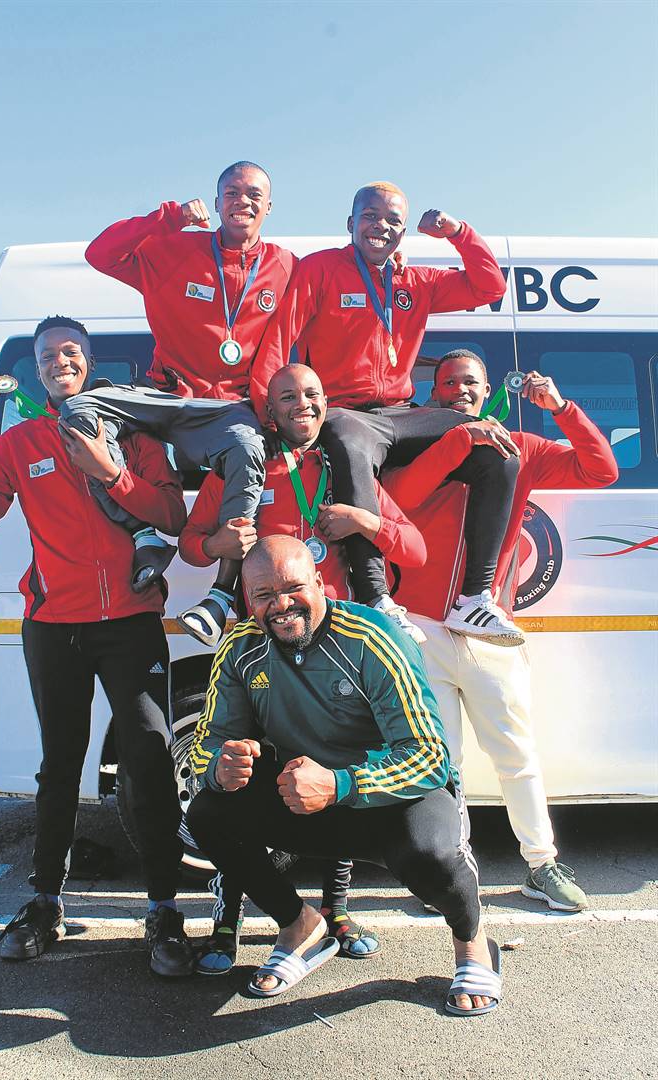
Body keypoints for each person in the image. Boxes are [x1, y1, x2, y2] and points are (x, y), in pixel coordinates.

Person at [0, 316, 195, 976]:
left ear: (88, 363)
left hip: (130, 623)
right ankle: (46, 902)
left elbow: (172, 516)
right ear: (37, 371)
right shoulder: (21, 442)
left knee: (149, 758)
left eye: (71, 352)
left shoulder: (132, 434)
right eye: (48, 355)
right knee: (60, 765)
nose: (60, 361)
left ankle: (164, 908)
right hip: (54, 626)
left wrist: (110, 471)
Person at [188, 536, 503, 1015]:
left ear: (321, 583)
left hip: (389, 800)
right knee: (208, 814)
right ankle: (299, 926)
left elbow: (429, 756)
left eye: (293, 588)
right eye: (264, 595)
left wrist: (341, 784)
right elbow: (207, 742)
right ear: (248, 600)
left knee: (431, 854)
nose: (281, 605)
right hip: (305, 798)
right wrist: (220, 766)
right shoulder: (241, 647)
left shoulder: (372, 637)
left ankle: (473, 943)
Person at [180, 363, 428, 971]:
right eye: (287, 396)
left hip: (338, 650)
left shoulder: (345, 469)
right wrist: (216, 546)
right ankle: (228, 916)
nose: (302, 405)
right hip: (260, 650)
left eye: (312, 394)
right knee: (239, 776)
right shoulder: (242, 468)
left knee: (334, 765)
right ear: (269, 410)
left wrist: (364, 521)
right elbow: (191, 542)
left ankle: (336, 909)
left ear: (326, 401)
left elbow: (416, 549)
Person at [383, 349, 619, 910]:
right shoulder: (412, 446)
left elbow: (601, 470)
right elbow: (397, 503)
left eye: (470, 382)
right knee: (442, 761)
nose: (459, 390)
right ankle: (451, 868)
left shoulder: (523, 446)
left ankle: (541, 864)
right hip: (420, 627)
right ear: (433, 394)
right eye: (447, 384)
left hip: (490, 628)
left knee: (516, 754)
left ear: (488, 390)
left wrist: (560, 408)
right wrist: (457, 444)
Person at [250, 182, 522, 645]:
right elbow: (279, 340)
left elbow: (489, 285)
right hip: (344, 411)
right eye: (371, 216)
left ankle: (474, 600)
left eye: (393, 220)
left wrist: (457, 232)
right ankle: (376, 597)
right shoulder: (321, 269)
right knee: (349, 442)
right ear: (350, 223)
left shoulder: (417, 281)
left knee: (496, 445)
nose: (381, 226)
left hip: (402, 413)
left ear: (403, 231)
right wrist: (269, 416)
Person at [71, 161, 298, 647]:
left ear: (269, 206)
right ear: (216, 202)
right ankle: (143, 535)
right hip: (164, 395)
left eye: (254, 194)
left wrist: (388, 264)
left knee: (248, 445)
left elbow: (332, 292)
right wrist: (170, 216)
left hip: (222, 411)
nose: (242, 201)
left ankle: (221, 594)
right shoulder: (173, 248)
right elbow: (100, 253)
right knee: (79, 410)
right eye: (232, 192)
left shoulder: (285, 265)